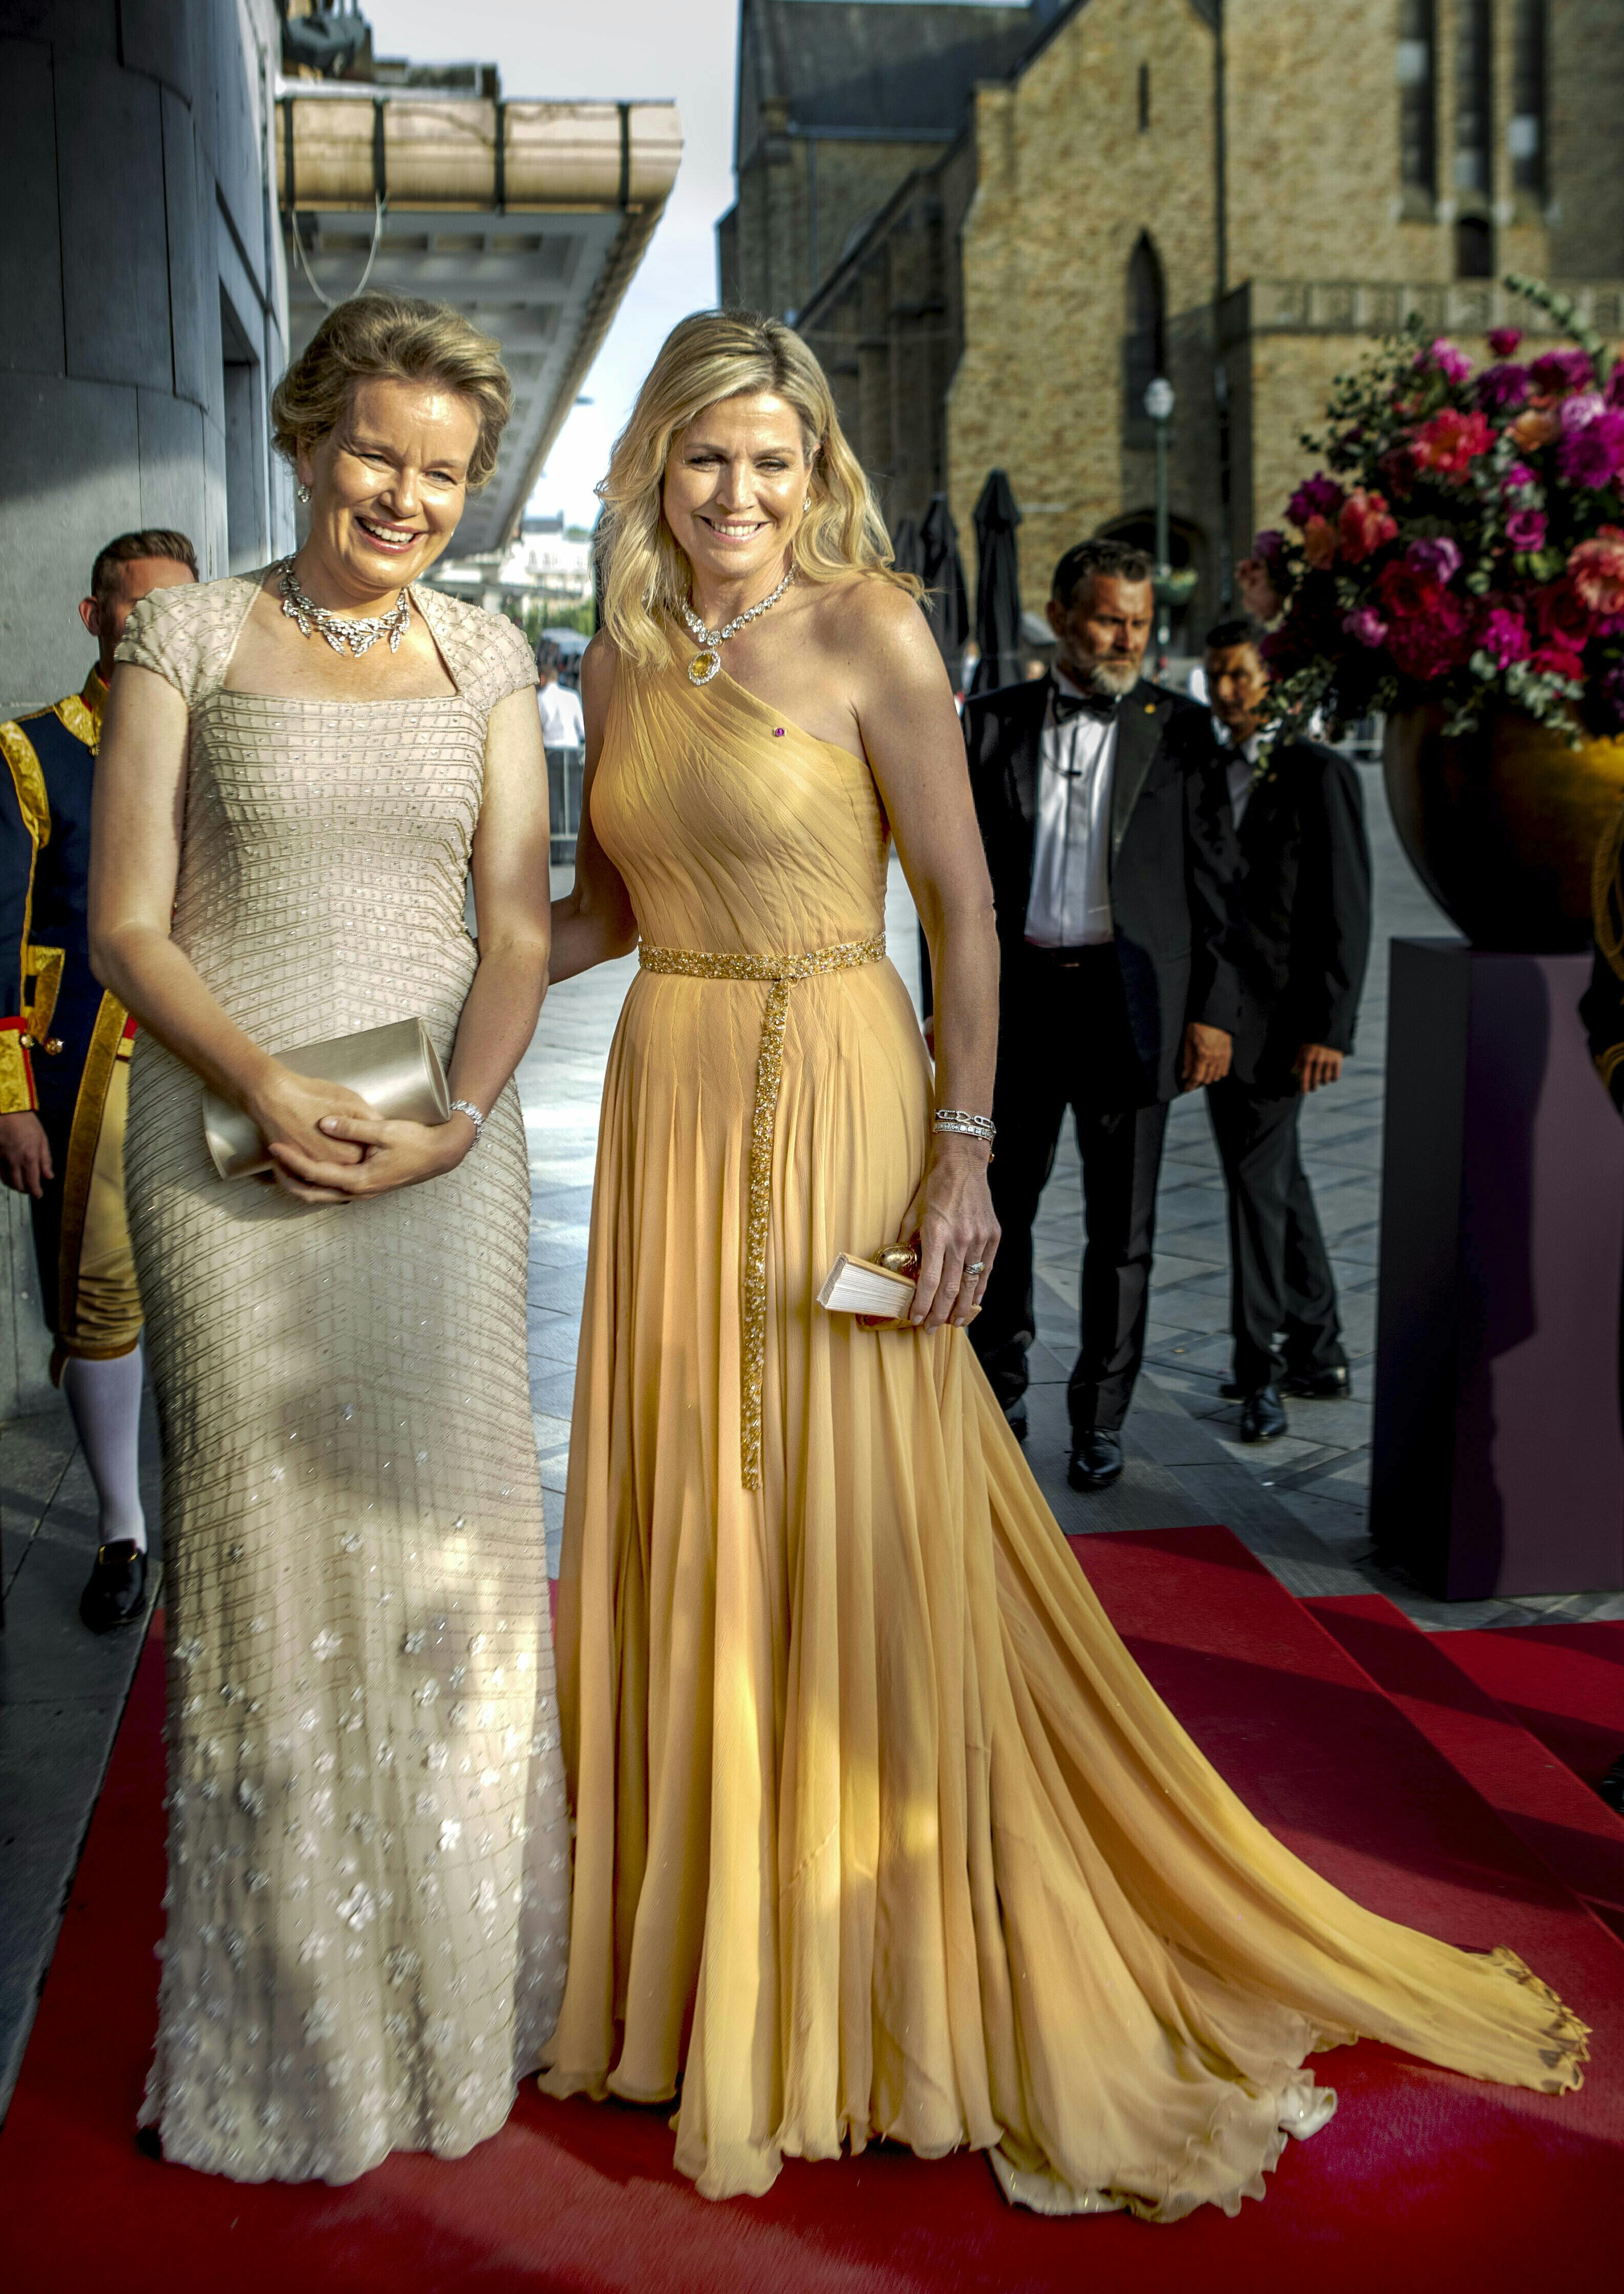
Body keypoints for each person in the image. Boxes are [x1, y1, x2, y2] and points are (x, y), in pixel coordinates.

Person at [535, 308, 1584, 2220]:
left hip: (839, 1088)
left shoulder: (871, 628)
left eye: (772, 459)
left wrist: (961, 1156)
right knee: (691, 1487)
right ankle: (705, 1954)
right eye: (703, 456)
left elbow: (961, 909)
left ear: (816, 468)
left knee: (848, 1502)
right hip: (665, 1098)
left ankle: (865, 1966)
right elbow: (605, 903)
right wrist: (424, 981)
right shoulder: (616, 653)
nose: (736, 492)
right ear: (650, 463)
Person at [88, 292, 569, 2180]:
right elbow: (130, 922)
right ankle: (293, 2041)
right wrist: (264, 1082)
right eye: (376, 451)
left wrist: (457, 1118)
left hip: (441, 1161)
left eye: (443, 473)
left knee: (447, 1560)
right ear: (305, 439)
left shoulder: (490, 657)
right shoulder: (185, 636)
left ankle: (457, 2009)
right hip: (225, 1152)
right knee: (266, 1570)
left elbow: (515, 925)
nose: (404, 496)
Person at [960, 538, 1239, 1492]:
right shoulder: (990, 723)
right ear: (1061, 617)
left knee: (1124, 1232)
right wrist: (949, 1008)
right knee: (1001, 1210)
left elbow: (1220, 886)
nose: (1130, 639)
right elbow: (952, 889)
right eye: (1111, 620)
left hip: (1135, 1010)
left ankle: (1101, 1420)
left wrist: (1215, 1013)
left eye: (1142, 623)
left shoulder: (1185, 730)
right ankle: (999, 1397)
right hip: (1022, 1007)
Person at [0, 530, 197, 1631]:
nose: (159, 626)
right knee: (101, 1299)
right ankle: (123, 1528)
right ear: (95, 618)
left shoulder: (228, 734)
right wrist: (10, 1097)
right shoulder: (31, 750)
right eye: (138, 607)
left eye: (179, 606)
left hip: (224, 1059)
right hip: (93, 1071)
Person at [1191, 618, 1372, 1442]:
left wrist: (1331, 1026)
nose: (1225, 690)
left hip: (1282, 1027)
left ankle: (1258, 1365)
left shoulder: (1320, 773)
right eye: (1215, 674)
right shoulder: (1204, 770)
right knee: (1274, 1179)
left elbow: (1347, 909)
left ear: (1274, 680)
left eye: (1240, 673)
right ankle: (1319, 1346)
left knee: (1257, 1191)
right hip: (1220, 1021)